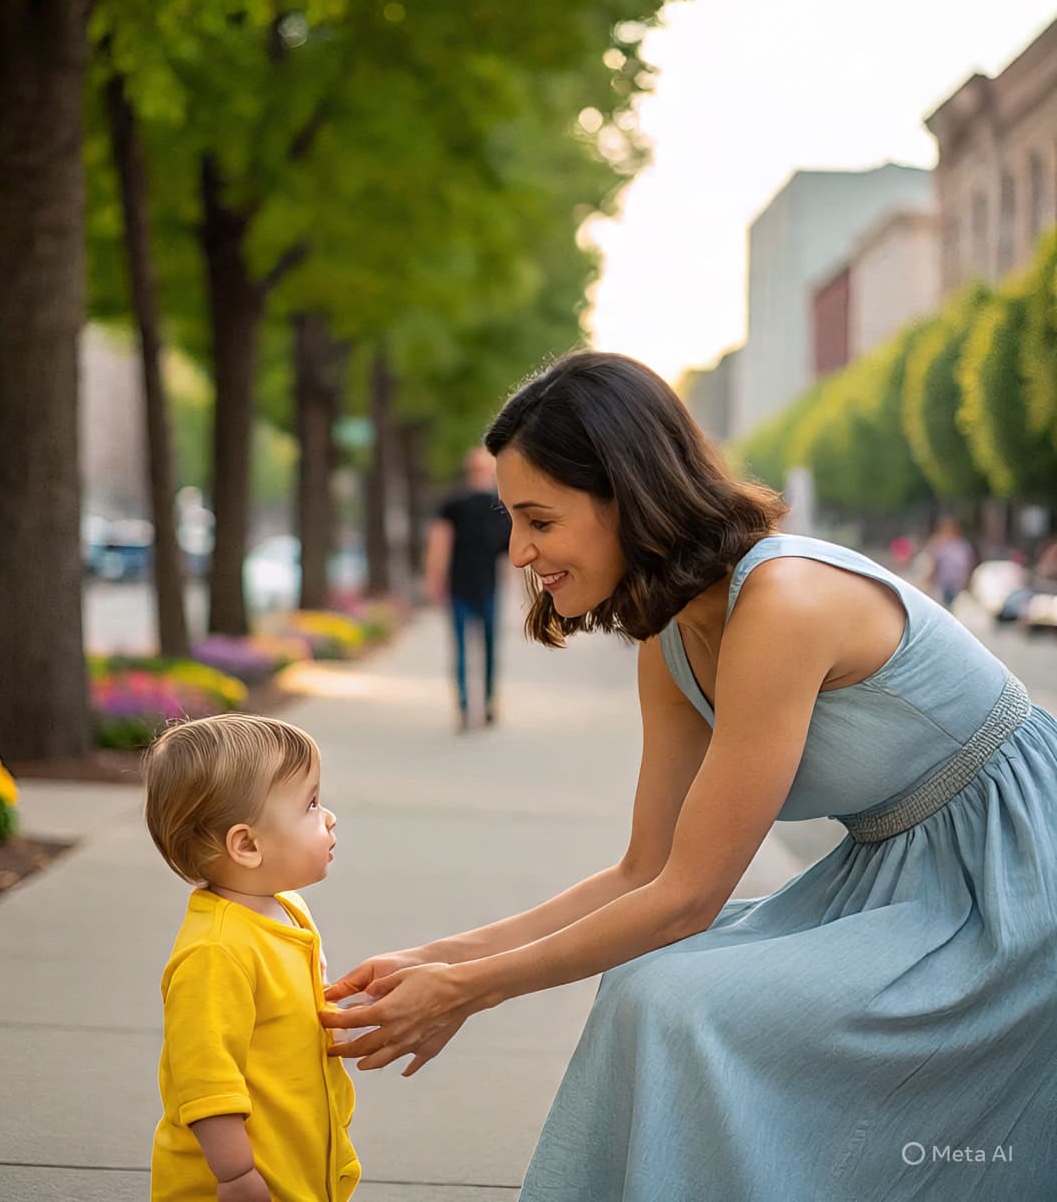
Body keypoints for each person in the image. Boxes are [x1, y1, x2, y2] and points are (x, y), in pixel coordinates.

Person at [322, 351, 1057, 1199]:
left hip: (1016, 879)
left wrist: (469, 990)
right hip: (900, 883)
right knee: (646, 983)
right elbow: (646, 869)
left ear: (626, 497)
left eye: (539, 520)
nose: (518, 550)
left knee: (679, 1003)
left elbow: (689, 899)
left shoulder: (784, 602)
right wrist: (440, 957)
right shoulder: (669, 639)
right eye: (511, 521)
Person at [143, 714, 360, 1202]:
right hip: (241, 1182)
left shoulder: (288, 910)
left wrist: (333, 1019)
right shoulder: (215, 952)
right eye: (310, 804)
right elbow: (206, 1081)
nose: (329, 817)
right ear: (246, 845)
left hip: (296, 1165)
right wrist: (236, 1176)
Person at [425, 446, 512, 730]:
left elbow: (510, 553)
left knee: (475, 648)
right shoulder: (487, 505)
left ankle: (476, 703)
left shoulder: (490, 505)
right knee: (475, 647)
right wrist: (435, 579)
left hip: (480, 586)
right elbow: (440, 543)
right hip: (467, 586)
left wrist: (435, 579)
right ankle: (475, 703)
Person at [923, 514, 976, 607]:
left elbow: (969, 564)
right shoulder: (939, 544)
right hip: (943, 584)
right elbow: (933, 563)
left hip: (958, 584)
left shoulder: (963, 545)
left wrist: (967, 581)